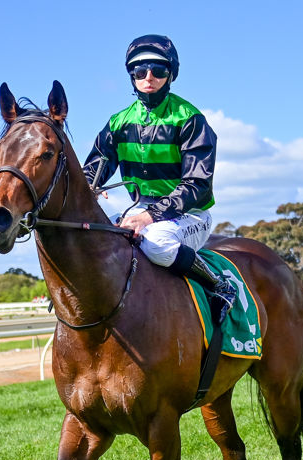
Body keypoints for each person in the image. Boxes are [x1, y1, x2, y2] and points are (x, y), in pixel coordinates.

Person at [83, 34, 235, 324]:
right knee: (90, 230)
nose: (148, 77)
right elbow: (94, 169)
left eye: (158, 70)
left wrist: (150, 216)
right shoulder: (118, 123)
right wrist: (89, 186)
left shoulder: (189, 119)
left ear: (171, 74)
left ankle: (218, 285)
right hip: (140, 210)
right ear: (132, 77)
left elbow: (198, 186)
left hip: (189, 214)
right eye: (140, 71)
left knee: (156, 243)